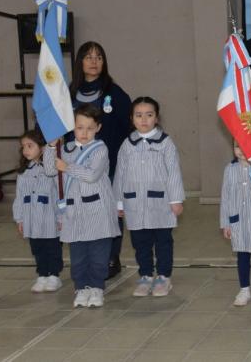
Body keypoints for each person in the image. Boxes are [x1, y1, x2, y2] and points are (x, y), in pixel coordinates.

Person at [44, 104, 121, 308]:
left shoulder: (100, 149)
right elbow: (51, 170)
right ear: (73, 127)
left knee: (98, 254)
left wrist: (67, 167)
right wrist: (51, 147)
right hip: (73, 213)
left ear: (98, 128)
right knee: (78, 256)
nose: (84, 133)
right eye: (79, 127)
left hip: (97, 211)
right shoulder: (66, 149)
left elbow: (91, 175)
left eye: (89, 128)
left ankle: (96, 288)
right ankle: (81, 287)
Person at [68, 41, 131, 279]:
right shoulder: (68, 93)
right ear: (80, 62)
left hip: (108, 166)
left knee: (110, 212)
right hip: (76, 165)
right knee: (81, 210)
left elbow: (129, 128)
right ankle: (86, 259)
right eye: (88, 57)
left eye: (99, 57)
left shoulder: (114, 93)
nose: (94, 62)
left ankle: (110, 258)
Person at [113, 97, 185, 297]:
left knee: (163, 241)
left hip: (161, 203)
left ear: (156, 118)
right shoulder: (127, 145)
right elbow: (120, 173)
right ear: (132, 118)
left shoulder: (166, 143)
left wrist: (176, 199)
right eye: (138, 115)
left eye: (149, 115)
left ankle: (163, 277)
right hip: (134, 203)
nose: (144, 119)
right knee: (140, 242)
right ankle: (145, 275)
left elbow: (173, 172)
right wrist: (118, 201)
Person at [221, 138, 251, 307]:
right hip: (238, 222)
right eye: (237, 146)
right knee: (242, 255)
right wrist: (226, 223)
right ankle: (244, 289)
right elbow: (225, 197)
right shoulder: (230, 169)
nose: (241, 150)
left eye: (246, 145)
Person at [13, 129, 62, 293]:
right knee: (37, 249)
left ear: (41, 147)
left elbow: (59, 194)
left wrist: (61, 217)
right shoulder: (23, 172)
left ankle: (54, 275)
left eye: (30, 146)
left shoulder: (51, 169)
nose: (25, 150)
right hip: (31, 219)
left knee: (52, 248)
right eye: (23, 147)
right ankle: (42, 274)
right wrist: (19, 218)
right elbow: (19, 196)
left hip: (49, 217)